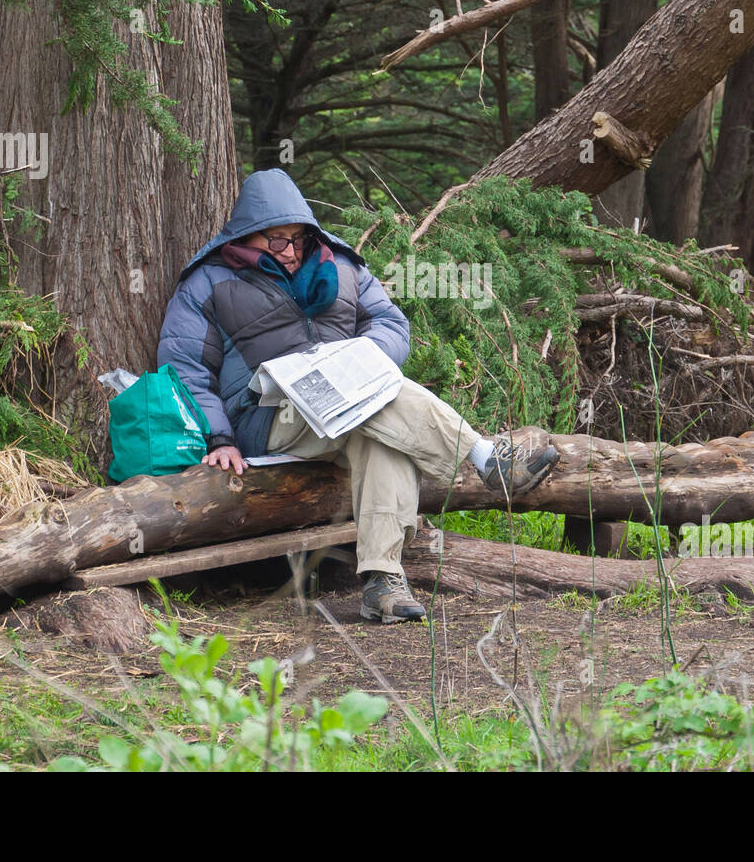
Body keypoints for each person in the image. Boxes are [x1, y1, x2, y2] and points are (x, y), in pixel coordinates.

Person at [158, 168, 559, 624]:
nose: (289, 252)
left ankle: (382, 583)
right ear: (246, 236)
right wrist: (220, 438)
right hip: (269, 416)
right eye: (275, 240)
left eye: (297, 238)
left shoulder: (342, 265)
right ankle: (484, 457)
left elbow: (391, 325)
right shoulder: (207, 283)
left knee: (378, 434)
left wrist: (357, 360)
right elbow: (186, 369)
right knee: (377, 405)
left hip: (350, 408)